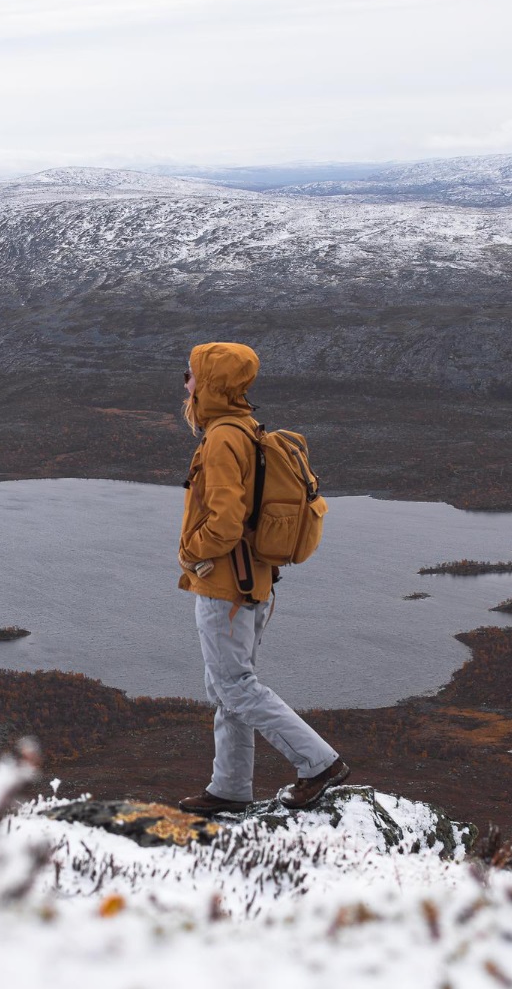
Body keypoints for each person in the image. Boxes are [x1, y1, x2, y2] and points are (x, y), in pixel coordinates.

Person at [175, 341, 349, 814]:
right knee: (229, 686)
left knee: (233, 685)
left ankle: (319, 763)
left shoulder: (221, 439)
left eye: (189, 376)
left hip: (225, 586)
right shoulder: (245, 428)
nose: (185, 385)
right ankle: (230, 788)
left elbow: (227, 522)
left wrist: (190, 551)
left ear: (209, 384)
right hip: (254, 583)